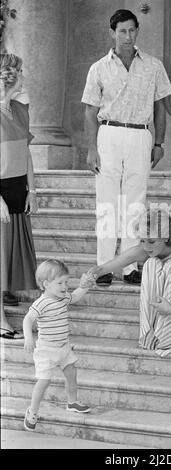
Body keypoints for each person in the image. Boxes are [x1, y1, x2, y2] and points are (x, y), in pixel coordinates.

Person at [82, 9, 171, 286]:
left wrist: (159, 143)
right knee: (107, 205)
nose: (127, 36)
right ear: (112, 32)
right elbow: (89, 112)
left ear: (137, 31)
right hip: (108, 134)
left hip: (140, 135)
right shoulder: (98, 68)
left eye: (132, 30)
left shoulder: (154, 66)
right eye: (122, 31)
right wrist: (91, 148)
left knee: (135, 205)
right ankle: (105, 267)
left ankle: (130, 266)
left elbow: (160, 107)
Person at [91, 208, 171, 357]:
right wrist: (90, 275)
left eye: (151, 241)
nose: (146, 246)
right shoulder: (146, 250)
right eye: (142, 240)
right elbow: (107, 267)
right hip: (165, 309)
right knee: (151, 264)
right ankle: (153, 334)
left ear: (165, 237)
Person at [22, 259, 96, 431]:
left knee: (71, 372)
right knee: (44, 381)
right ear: (46, 284)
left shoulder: (63, 298)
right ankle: (32, 411)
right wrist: (28, 337)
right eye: (60, 283)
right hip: (46, 350)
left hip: (63, 347)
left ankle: (72, 402)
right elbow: (28, 319)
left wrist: (85, 286)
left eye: (66, 282)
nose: (65, 286)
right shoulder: (42, 303)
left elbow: (76, 296)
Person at [0, 52, 38, 339]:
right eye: (21, 71)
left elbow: (25, 153)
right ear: (11, 76)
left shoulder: (21, 109)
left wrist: (32, 190)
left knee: (10, 254)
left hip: (17, 189)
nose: (23, 76)